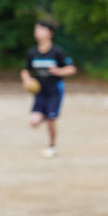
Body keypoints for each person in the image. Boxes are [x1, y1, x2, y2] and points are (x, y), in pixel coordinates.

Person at [20, 19, 77, 157]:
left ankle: (52, 146)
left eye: (41, 30)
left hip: (54, 90)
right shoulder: (32, 52)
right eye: (36, 30)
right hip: (40, 92)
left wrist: (59, 71)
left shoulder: (57, 51)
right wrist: (27, 80)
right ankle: (46, 115)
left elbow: (72, 68)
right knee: (34, 122)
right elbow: (25, 70)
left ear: (50, 33)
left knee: (51, 120)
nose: (38, 33)